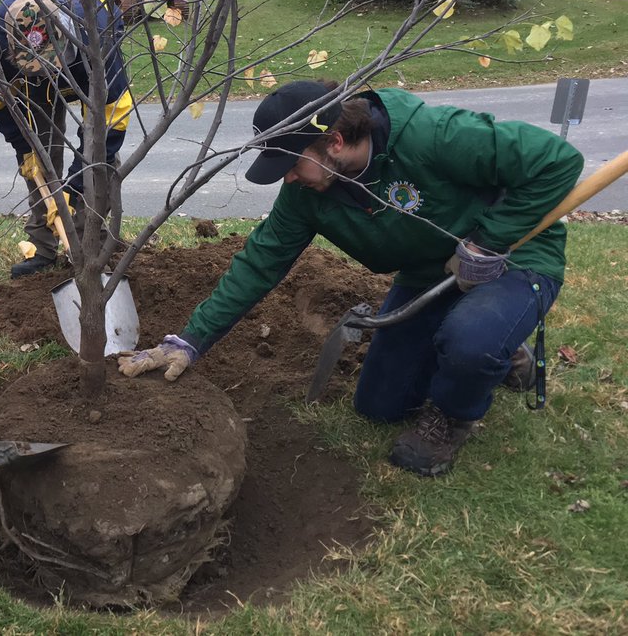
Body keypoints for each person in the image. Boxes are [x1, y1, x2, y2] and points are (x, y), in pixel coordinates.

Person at [119, 79, 584, 477]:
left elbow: (557, 160)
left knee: (470, 342)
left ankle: (456, 410)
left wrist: (489, 241)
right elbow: (260, 263)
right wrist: (189, 340)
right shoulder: (308, 196)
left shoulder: (432, 136)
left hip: (513, 259)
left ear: (335, 142)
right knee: (380, 406)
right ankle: (493, 352)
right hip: (431, 275)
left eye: (292, 166)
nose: (289, 181)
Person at [0, 0, 134, 278]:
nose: (50, 71)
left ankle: (92, 247)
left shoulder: (97, 30)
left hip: (85, 69)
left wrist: (75, 185)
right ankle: (43, 248)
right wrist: (24, 149)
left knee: (97, 161)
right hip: (28, 82)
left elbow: (112, 116)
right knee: (40, 156)